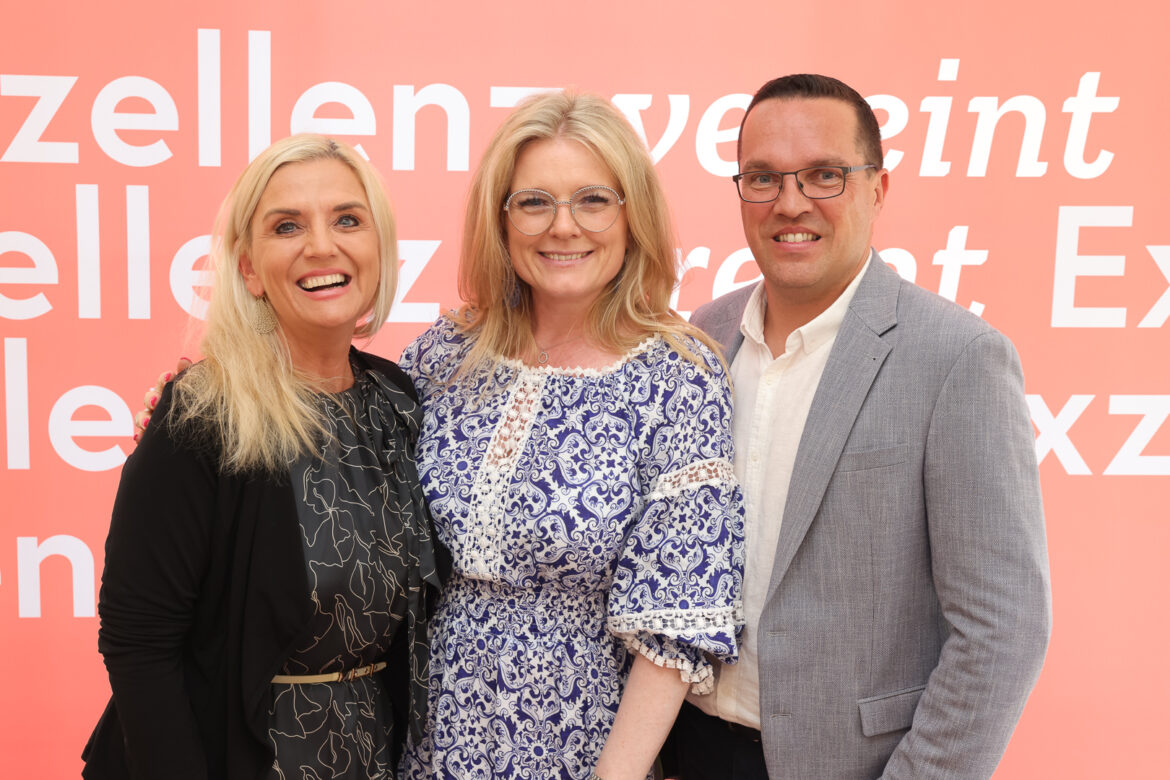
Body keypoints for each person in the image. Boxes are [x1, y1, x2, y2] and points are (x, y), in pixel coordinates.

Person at [664, 74, 1052, 779]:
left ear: (878, 188)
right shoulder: (704, 336)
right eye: (763, 178)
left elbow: (1003, 627)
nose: (790, 203)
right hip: (688, 748)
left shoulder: (958, 357)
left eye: (824, 175)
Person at [396, 90, 745, 780]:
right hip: (423, 738)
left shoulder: (679, 376)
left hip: (580, 745)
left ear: (632, 215)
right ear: (500, 218)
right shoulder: (445, 353)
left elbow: (677, 617)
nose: (563, 227)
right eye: (534, 202)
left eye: (593, 200)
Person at [82, 135, 443, 780]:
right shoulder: (202, 415)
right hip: (237, 754)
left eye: (348, 219)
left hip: (371, 753)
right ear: (249, 269)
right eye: (287, 226)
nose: (322, 246)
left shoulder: (395, 399)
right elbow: (139, 641)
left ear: (380, 250)